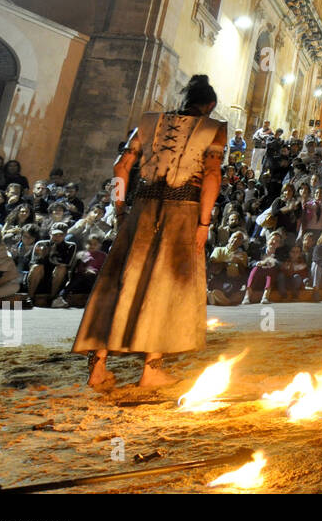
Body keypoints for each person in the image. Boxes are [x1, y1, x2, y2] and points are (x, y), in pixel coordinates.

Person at [73, 75, 227, 391]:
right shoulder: (214, 129)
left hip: (141, 209)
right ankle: (151, 369)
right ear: (209, 105)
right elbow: (212, 176)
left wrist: (118, 208)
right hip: (182, 212)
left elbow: (120, 166)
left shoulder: (148, 122)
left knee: (121, 281)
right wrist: (204, 223)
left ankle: (98, 365)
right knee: (165, 286)